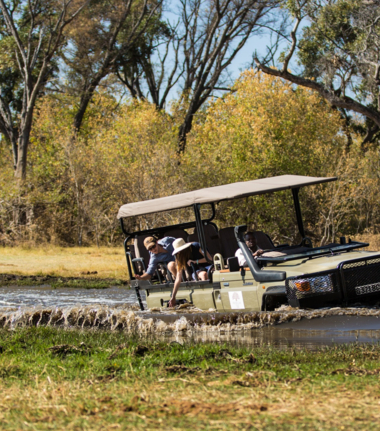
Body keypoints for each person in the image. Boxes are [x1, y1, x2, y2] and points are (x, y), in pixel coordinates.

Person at [168, 238, 212, 308]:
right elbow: (178, 278)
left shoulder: (196, 246)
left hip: (208, 266)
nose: (179, 253)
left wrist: (195, 261)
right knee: (203, 274)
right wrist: (173, 296)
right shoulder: (179, 257)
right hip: (196, 271)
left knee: (215, 271)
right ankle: (207, 297)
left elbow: (209, 258)